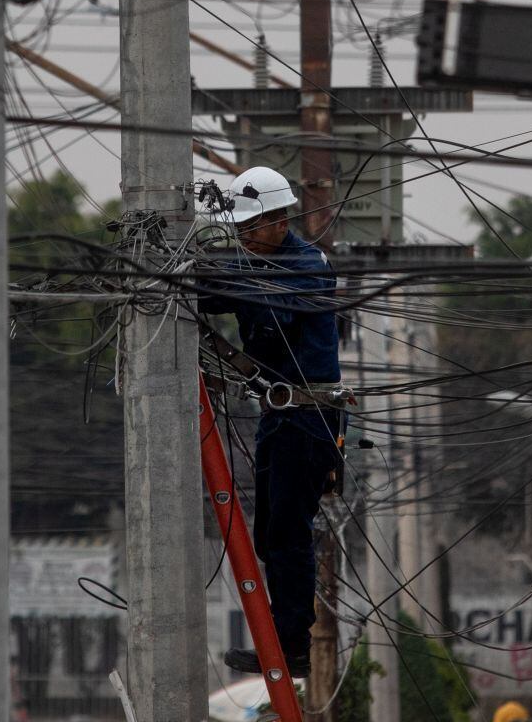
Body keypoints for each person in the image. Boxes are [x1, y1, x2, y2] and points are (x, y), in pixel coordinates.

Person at [200, 165, 346, 679]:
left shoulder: (306, 266)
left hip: (309, 417)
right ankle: (284, 642)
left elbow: (262, 301)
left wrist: (211, 279)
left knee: (288, 534)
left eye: (247, 228)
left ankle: (291, 648)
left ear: (277, 220)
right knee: (270, 535)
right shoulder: (253, 263)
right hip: (280, 414)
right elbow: (218, 294)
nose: (241, 236)